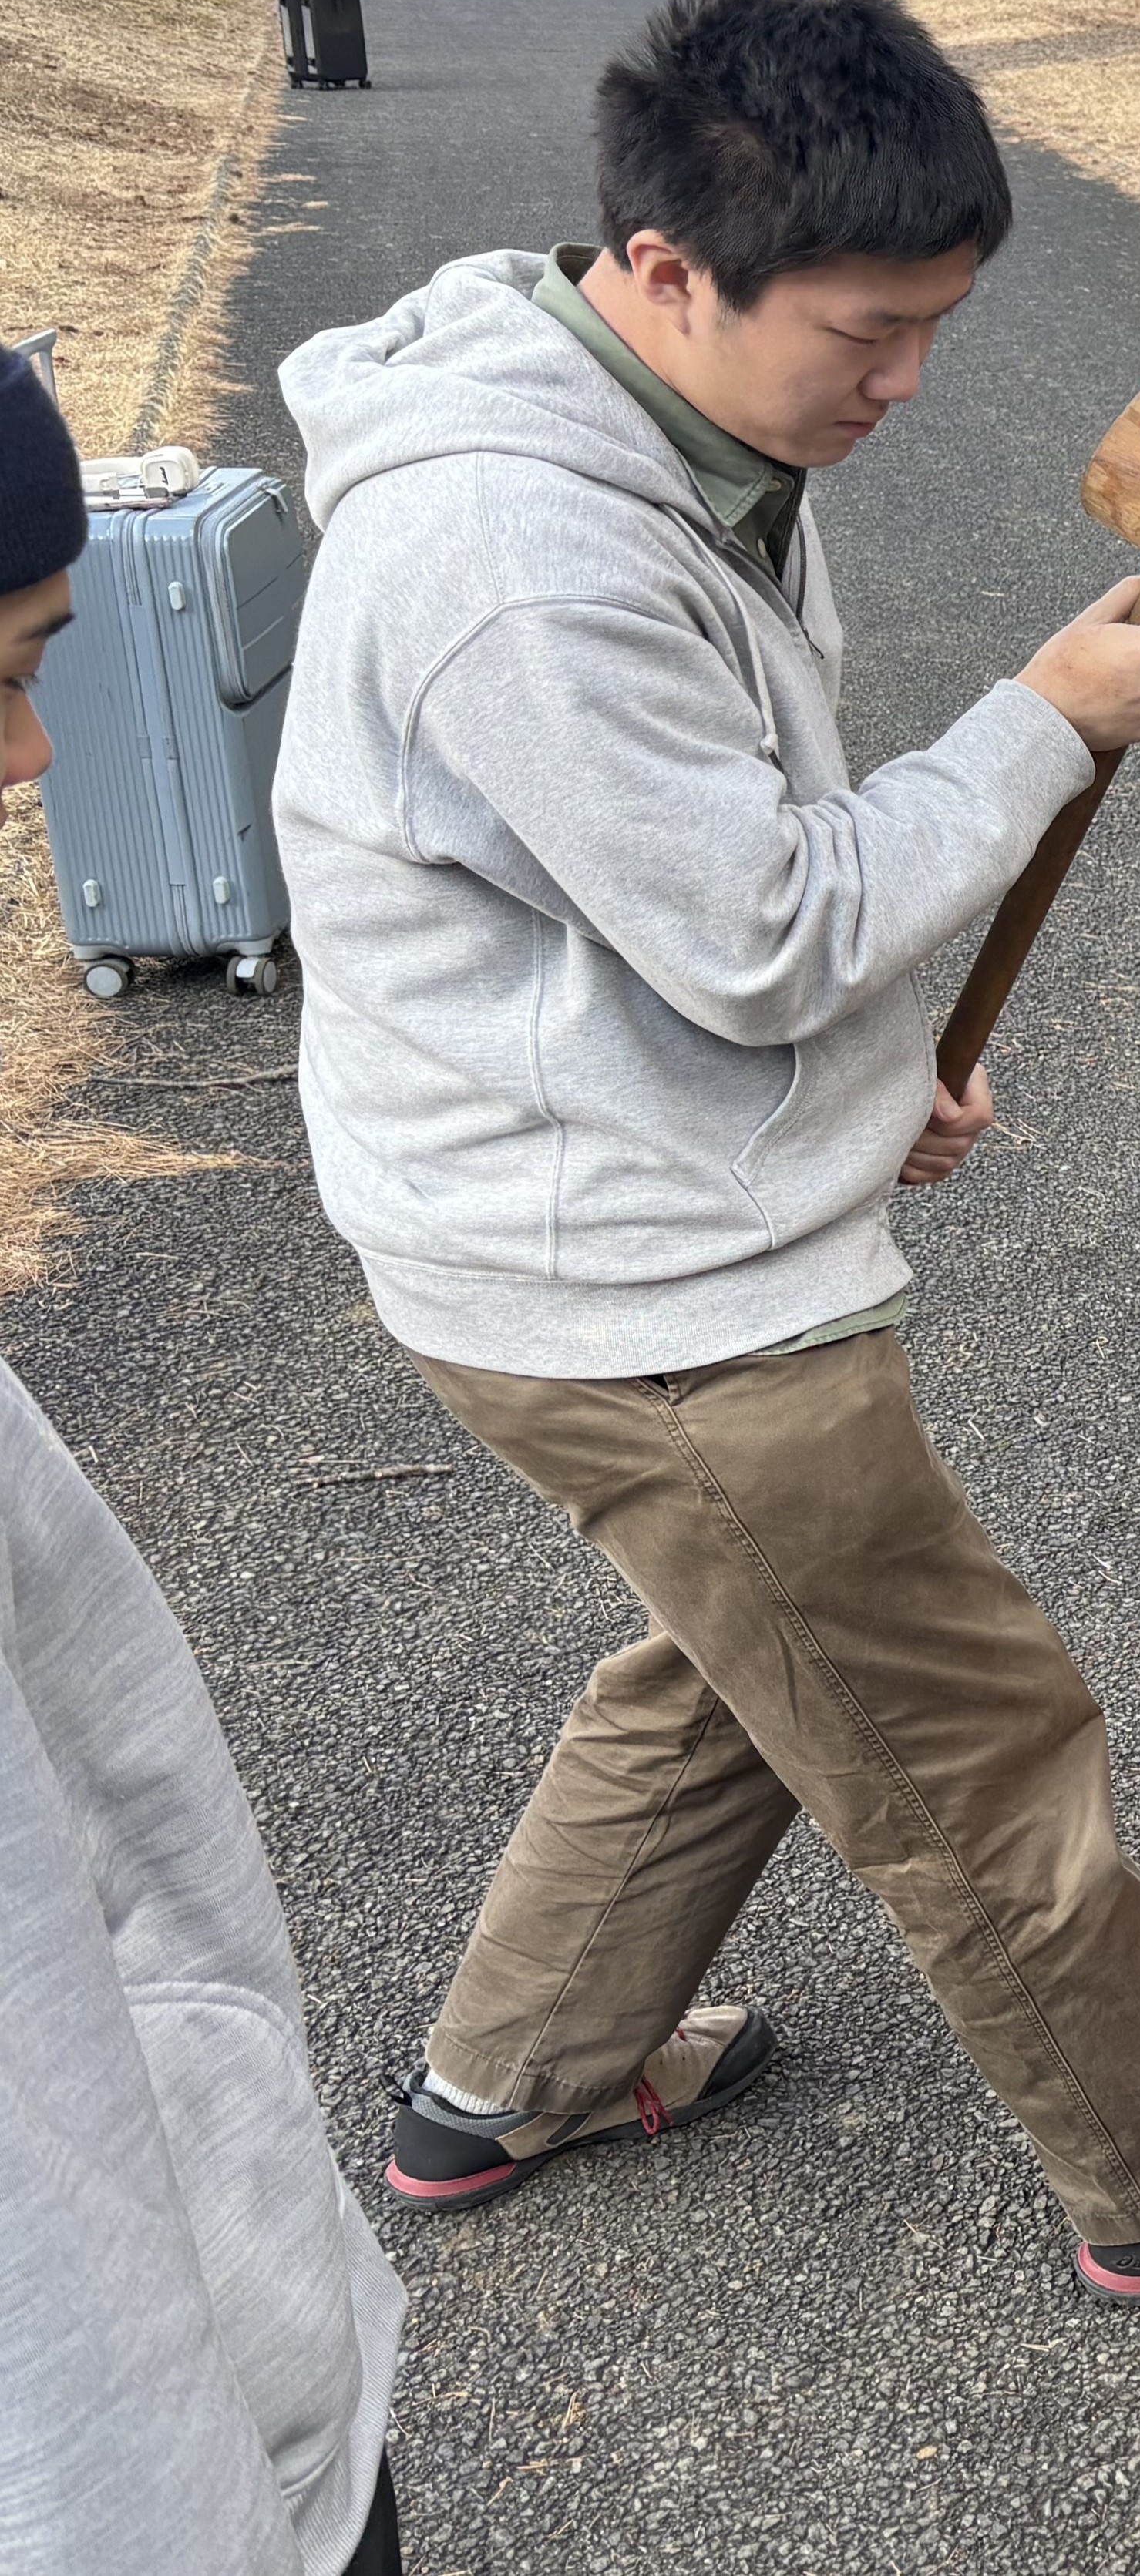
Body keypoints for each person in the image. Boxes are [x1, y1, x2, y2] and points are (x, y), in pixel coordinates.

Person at [270, 0, 1140, 2312]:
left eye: (940, 323)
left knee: (736, 1659)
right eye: (872, 329)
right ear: (669, 268)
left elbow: (682, 881)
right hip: (627, 1280)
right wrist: (1037, 722)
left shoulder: (670, 429)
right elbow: (752, 921)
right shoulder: (518, 542)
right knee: (962, 1741)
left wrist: (854, 1071)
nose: (908, 384)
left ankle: (507, 2078)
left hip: (589, 1201)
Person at [0, 358, 409, 2571]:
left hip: (205, 2287)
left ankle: (510, 2062)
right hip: (101, 2436)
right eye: (5, 669)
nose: (37, 756)